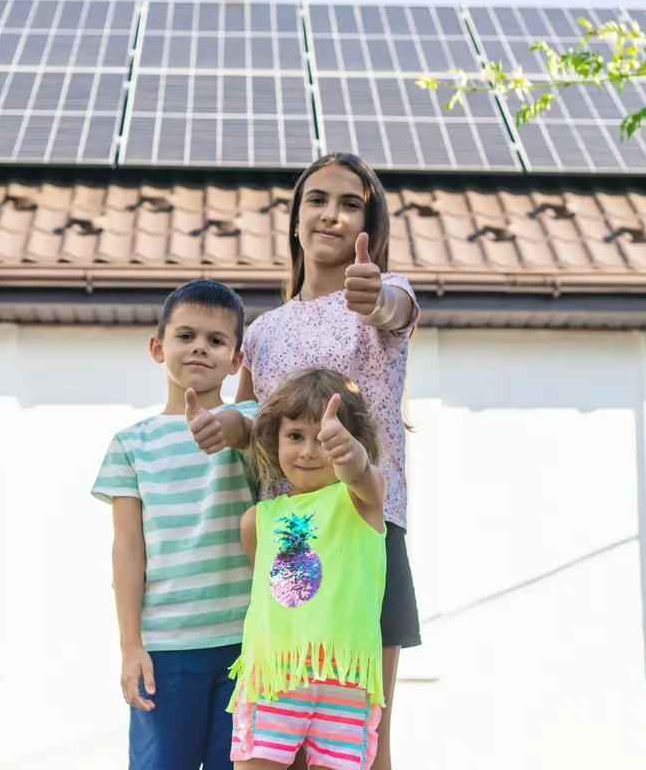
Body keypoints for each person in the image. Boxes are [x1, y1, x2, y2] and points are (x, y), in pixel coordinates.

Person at [235, 153, 420, 770]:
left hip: (367, 527)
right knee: (275, 737)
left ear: (370, 219)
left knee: (366, 741)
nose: (331, 215)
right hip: (286, 536)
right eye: (316, 200)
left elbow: (393, 306)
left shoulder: (385, 295)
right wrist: (217, 424)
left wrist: (372, 297)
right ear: (295, 219)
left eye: (350, 203)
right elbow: (247, 418)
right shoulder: (262, 331)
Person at [91, 279, 260, 770]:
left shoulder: (252, 423)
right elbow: (126, 548)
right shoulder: (130, 444)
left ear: (235, 360)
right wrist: (130, 646)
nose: (199, 349)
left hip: (247, 644)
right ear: (157, 346)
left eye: (215, 340)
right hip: (165, 649)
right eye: (185, 336)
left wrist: (235, 428)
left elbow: (262, 438)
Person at [228, 367, 387, 770]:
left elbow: (364, 477)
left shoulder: (362, 501)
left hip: (345, 679)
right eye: (295, 436)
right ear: (274, 440)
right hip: (273, 676)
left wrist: (350, 456)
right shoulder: (256, 520)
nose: (309, 451)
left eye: (325, 439)